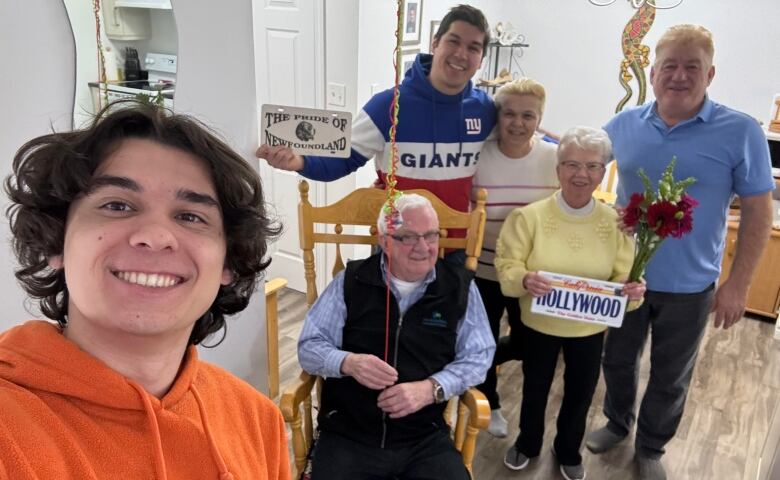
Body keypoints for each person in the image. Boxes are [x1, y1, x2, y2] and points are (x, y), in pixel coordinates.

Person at [0, 102, 290, 480]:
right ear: (56, 243)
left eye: (190, 216)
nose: (155, 237)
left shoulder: (257, 418)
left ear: (227, 264)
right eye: (117, 205)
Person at [585, 25, 775, 480]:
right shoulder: (623, 125)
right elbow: (579, 165)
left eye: (692, 66)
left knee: (671, 376)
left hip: (691, 287)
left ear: (710, 74)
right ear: (652, 73)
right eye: (670, 65)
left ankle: (651, 445)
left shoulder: (742, 131)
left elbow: (758, 213)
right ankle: (617, 421)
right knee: (616, 360)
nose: (680, 75)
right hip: (624, 280)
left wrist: (739, 285)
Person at [297, 193, 495, 480]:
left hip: (423, 437)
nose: (423, 247)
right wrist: (348, 362)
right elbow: (309, 346)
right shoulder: (351, 281)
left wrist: (432, 389)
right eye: (408, 237)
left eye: (431, 235)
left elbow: (479, 356)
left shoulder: (458, 288)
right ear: (384, 241)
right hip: (349, 433)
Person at [257, 5, 495, 242]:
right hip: (396, 249)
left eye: (473, 48)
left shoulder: (486, 110)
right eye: (453, 41)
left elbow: (511, 156)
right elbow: (343, 158)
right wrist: (297, 161)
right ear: (435, 43)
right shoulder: (388, 106)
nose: (461, 54)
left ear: (481, 59)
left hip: (458, 249)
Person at [495, 126, 646, 480]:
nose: (582, 174)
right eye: (572, 164)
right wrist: (525, 279)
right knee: (534, 388)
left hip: (588, 329)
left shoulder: (618, 225)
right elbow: (507, 267)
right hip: (538, 325)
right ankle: (527, 443)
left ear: (604, 171)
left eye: (593, 166)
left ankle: (567, 450)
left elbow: (625, 281)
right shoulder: (528, 217)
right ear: (558, 168)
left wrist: (632, 291)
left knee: (580, 395)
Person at [470, 77, 559, 438]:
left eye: (528, 115)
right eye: (509, 114)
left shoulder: (554, 158)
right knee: (483, 339)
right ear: (498, 115)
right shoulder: (478, 155)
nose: (518, 123)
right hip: (484, 270)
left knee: (527, 343)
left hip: (530, 276)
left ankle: (477, 371)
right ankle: (487, 402)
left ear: (540, 118)